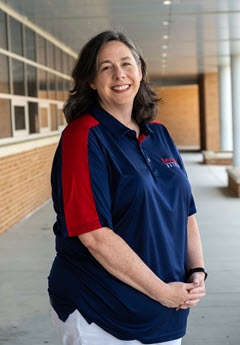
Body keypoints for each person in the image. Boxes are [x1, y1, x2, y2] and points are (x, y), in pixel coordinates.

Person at [48, 30, 207, 345]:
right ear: (92, 80)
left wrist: (197, 269)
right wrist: (162, 291)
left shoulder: (159, 134)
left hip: (166, 309)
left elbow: (185, 212)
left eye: (126, 63)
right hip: (102, 311)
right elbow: (93, 235)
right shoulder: (83, 136)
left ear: (140, 71)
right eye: (106, 67)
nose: (119, 74)